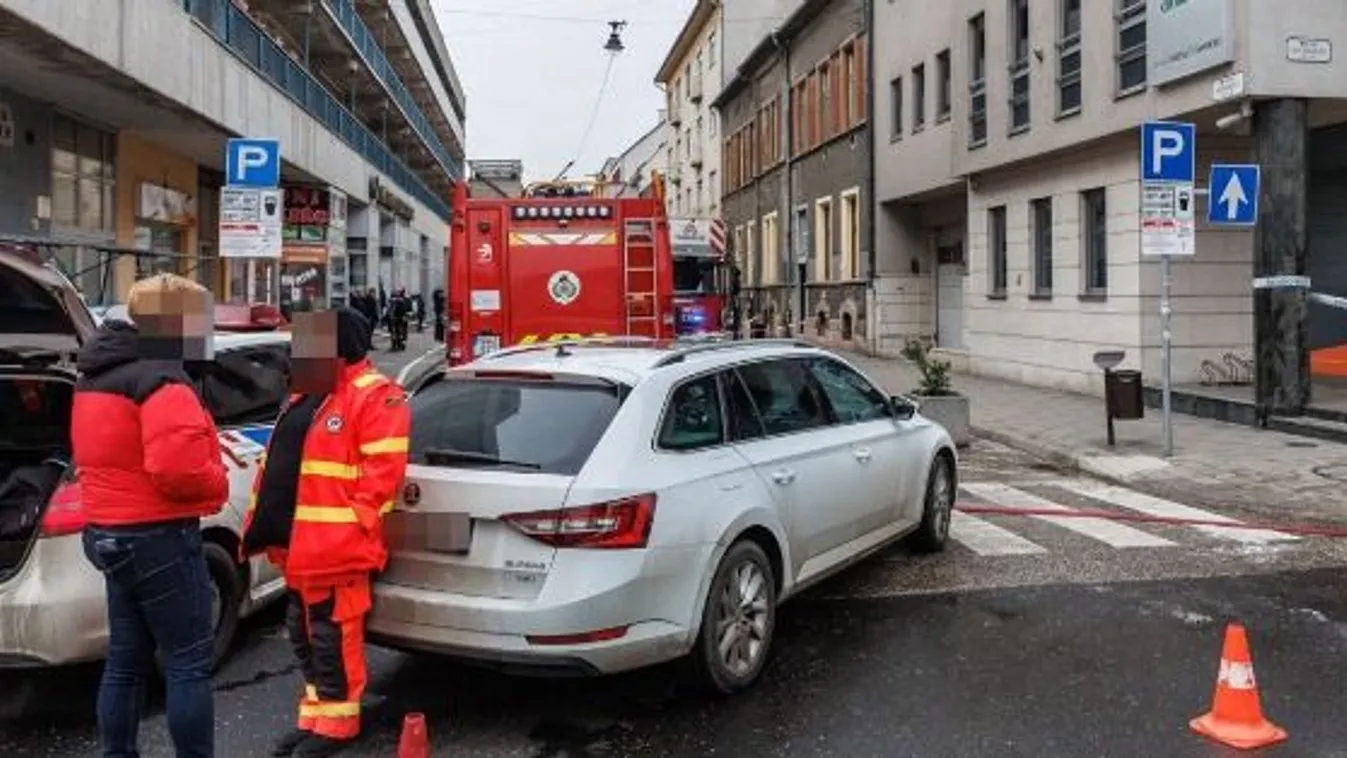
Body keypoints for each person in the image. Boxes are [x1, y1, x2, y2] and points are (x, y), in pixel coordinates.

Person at [71, 273, 229, 758]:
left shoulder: (96, 375)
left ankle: (117, 752)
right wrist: (218, 483)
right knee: (187, 664)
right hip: (158, 537)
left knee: (124, 662)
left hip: (107, 534)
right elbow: (176, 470)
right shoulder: (162, 379)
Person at [242, 307, 410, 758]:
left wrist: (353, 526)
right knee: (304, 636)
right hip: (301, 547)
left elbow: (383, 474)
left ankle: (338, 724)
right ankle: (317, 713)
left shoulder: (374, 395)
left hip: (336, 549)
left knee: (333, 638)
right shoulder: (309, 394)